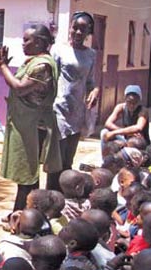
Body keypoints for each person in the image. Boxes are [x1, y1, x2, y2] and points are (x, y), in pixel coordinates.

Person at [0, 24, 60, 212]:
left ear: (39, 42)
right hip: (26, 124)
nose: (22, 44)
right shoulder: (33, 61)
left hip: (34, 127)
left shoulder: (42, 65)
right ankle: (24, 213)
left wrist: (2, 66)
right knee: (26, 175)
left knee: (27, 175)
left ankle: (24, 215)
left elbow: (20, 87)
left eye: (26, 40)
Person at [50, 11, 100, 191]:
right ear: (70, 28)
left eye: (83, 29)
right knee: (55, 160)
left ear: (89, 32)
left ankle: (62, 199)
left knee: (68, 160)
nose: (78, 32)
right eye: (75, 28)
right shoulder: (58, 50)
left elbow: (91, 82)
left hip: (78, 112)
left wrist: (94, 91)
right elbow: (51, 79)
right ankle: (51, 196)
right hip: (59, 111)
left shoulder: (91, 54)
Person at [101, 85, 150, 150]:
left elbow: (138, 127)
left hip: (140, 141)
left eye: (135, 103)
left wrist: (115, 132)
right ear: (125, 99)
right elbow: (108, 123)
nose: (132, 105)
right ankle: (105, 159)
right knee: (104, 132)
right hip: (126, 138)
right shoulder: (121, 107)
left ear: (139, 101)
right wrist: (127, 132)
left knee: (135, 142)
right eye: (129, 102)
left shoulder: (143, 111)